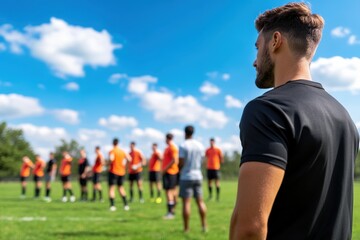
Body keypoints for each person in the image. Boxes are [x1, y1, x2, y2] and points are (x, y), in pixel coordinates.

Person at [229, 3, 359, 240]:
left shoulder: (268, 110)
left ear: (276, 41)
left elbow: (249, 227)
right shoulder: (344, 117)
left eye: (257, 48)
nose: (255, 61)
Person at [179, 125, 207, 233]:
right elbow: (203, 161)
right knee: (200, 202)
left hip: (186, 176)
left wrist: (180, 169)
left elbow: (181, 162)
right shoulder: (200, 145)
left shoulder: (183, 145)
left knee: (186, 203)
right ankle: (204, 225)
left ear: (185, 133)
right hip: (198, 175)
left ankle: (186, 229)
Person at [108, 138, 132, 211]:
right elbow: (129, 159)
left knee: (112, 188)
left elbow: (111, 159)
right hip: (121, 172)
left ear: (113, 143)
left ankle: (112, 206)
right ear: (118, 143)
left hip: (113, 172)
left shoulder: (112, 151)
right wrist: (124, 165)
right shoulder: (122, 151)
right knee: (121, 188)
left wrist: (108, 163)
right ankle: (126, 205)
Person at [162, 133, 179, 219]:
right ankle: (173, 209)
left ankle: (170, 213)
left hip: (170, 172)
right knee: (172, 191)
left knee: (169, 192)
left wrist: (165, 169)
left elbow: (174, 160)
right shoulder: (167, 148)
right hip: (170, 172)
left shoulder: (172, 148)